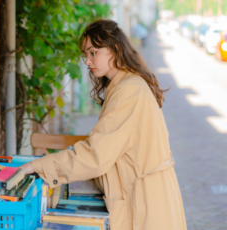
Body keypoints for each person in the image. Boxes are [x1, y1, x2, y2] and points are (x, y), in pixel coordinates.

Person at [19, 19, 187, 230]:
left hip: (146, 204)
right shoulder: (126, 85)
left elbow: (95, 155)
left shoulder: (128, 90)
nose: (88, 61)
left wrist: (36, 166)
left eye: (93, 52)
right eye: (86, 55)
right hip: (148, 196)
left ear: (115, 49)